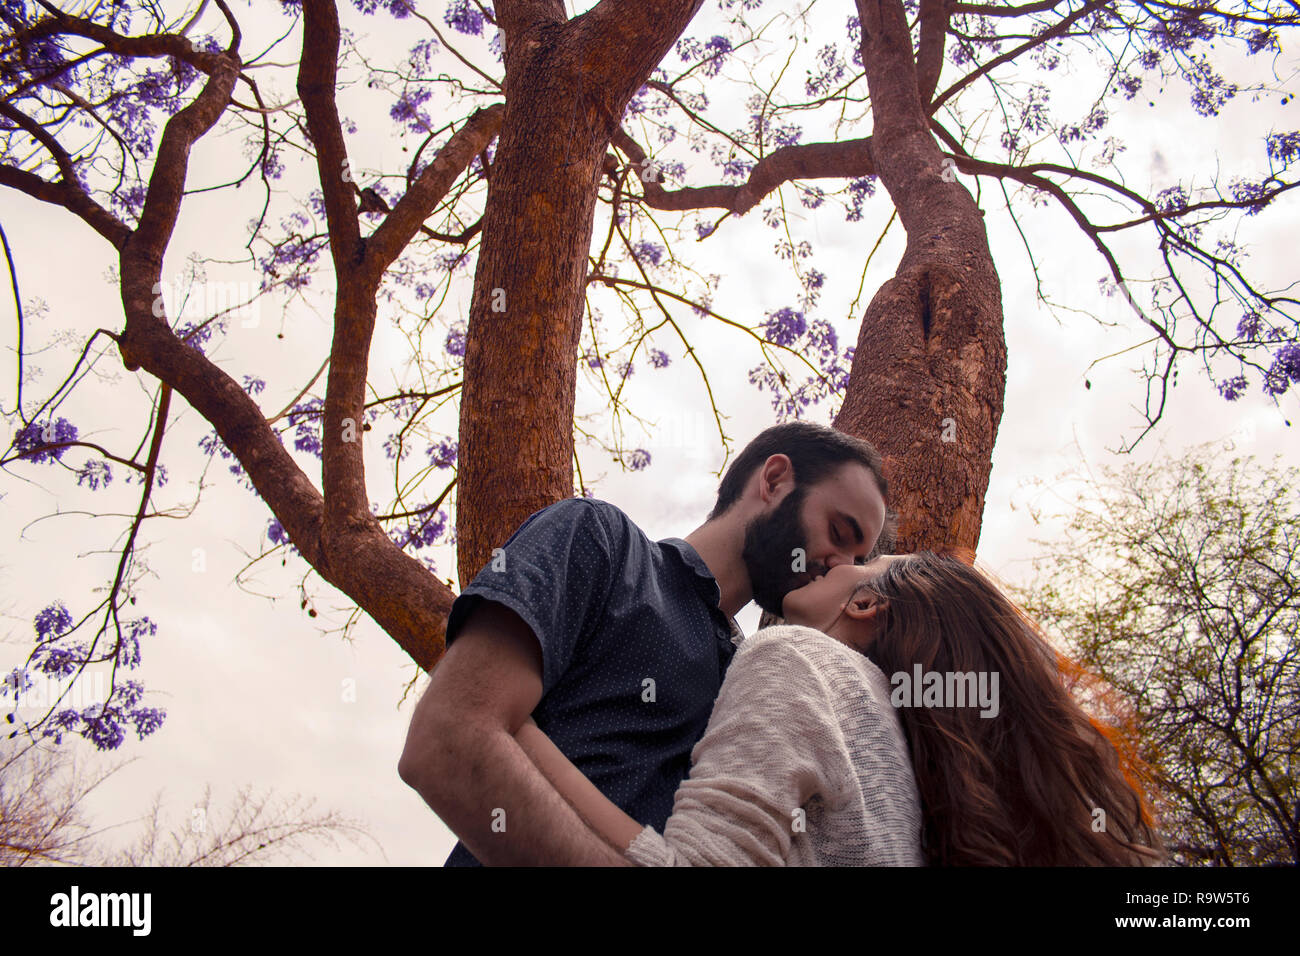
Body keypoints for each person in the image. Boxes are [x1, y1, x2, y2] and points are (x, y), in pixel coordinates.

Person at [397, 421, 891, 865]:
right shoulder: (600, 542)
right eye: (839, 532)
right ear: (775, 479)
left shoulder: (756, 680)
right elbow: (447, 739)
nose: (841, 564)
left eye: (858, 557)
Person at [515, 552, 1166, 866]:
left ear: (867, 603)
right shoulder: (910, 773)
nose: (838, 561)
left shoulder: (798, 659)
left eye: (865, 562)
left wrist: (516, 733)